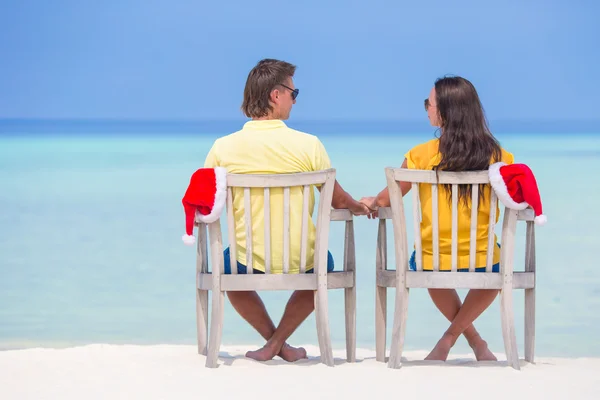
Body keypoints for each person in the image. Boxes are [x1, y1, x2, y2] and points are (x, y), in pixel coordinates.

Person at [203, 58, 369, 362]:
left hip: (246, 260)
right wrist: (361, 205)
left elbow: (207, 203)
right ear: (275, 95)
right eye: (294, 93)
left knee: (224, 268)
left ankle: (273, 343)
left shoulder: (223, 147)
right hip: (303, 260)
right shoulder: (309, 145)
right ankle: (279, 343)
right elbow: (338, 200)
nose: (294, 100)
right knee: (325, 262)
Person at [360, 76, 514, 362]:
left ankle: (450, 339)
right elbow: (517, 201)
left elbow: (387, 198)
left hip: (432, 258)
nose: (426, 110)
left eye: (428, 104)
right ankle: (473, 343)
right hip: (483, 257)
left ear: (444, 112)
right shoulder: (500, 156)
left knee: (431, 269)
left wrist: (370, 201)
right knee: (495, 275)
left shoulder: (419, 156)